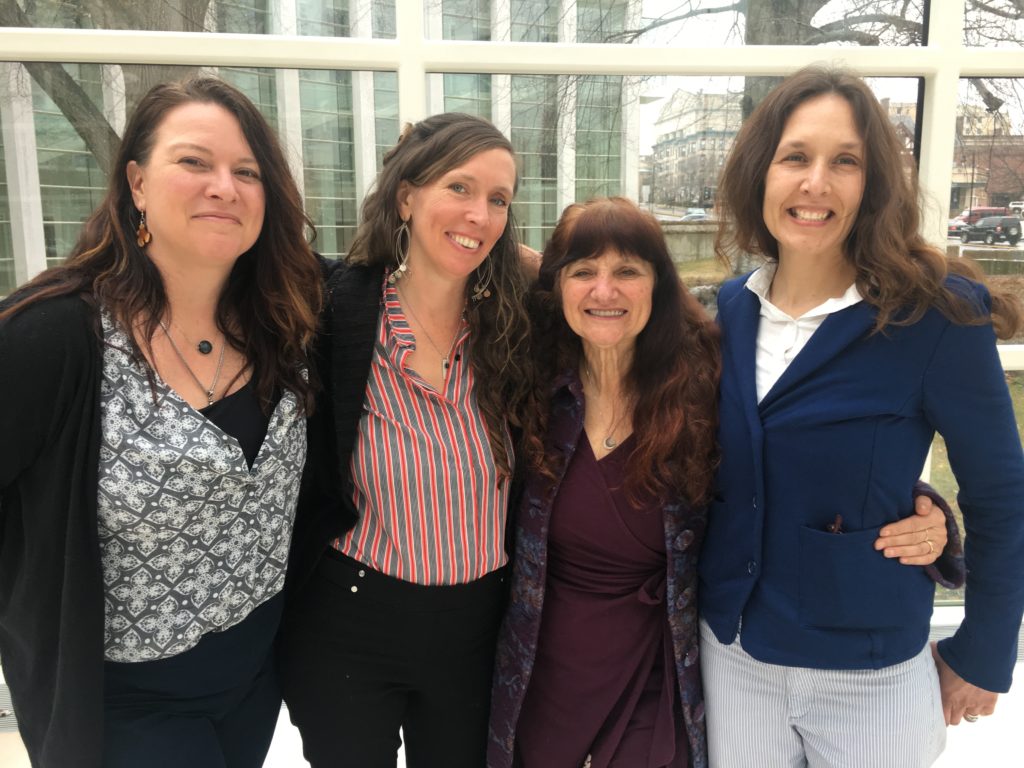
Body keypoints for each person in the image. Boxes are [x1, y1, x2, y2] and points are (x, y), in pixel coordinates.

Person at [487, 197, 956, 768]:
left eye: (627, 272)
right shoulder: (529, 389)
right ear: (557, 287)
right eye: (583, 272)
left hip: (661, 661)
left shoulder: (706, 385)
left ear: (658, 284)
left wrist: (926, 512)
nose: (604, 292)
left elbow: (797, 462)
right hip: (546, 658)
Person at [701, 66, 1024, 767]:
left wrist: (985, 650)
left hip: (870, 672)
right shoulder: (724, 315)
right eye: (795, 157)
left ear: (871, 185)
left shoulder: (935, 318)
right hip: (731, 657)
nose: (815, 182)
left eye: (843, 161)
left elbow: (1002, 496)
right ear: (761, 174)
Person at [0, 77, 322, 768]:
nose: (224, 187)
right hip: (126, 703)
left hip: (253, 682)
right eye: (194, 162)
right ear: (137, 182)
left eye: (246, 172)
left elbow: (393, 278)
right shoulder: (54, 335)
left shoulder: (281, 316)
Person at [279, 112, 534, 768]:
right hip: (351, 621)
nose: (479, 214)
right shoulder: (337, 310)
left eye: (498, 200)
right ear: (406, 196)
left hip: (476, 629)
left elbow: (619, 290)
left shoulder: (513, 328)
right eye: (460, 187)